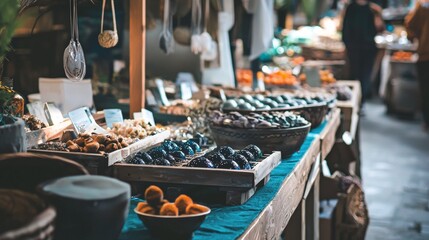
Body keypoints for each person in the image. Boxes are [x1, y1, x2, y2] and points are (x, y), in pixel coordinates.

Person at [342, 0, 384, 105]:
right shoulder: (351, 7)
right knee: (357, 74)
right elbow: (345, 28)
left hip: (365, 48)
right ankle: (356, 102)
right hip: (356, 47)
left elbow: (380, 28)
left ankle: (360, 102)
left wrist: (378, 15)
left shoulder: (372, 9)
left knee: (362, 75)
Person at [405, 0, 429, 131]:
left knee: (426, 90)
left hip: (425, 55)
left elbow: (410, 25)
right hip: (425, 55)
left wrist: (415, 37)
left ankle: (427, 121)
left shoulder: (423, 6)